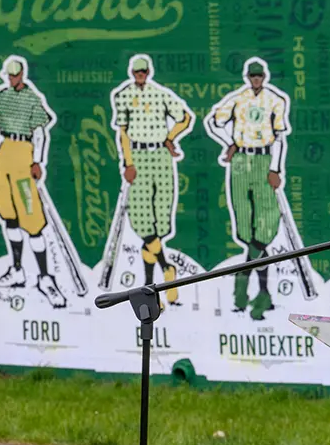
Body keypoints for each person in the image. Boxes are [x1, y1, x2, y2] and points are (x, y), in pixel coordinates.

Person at [204, 58, 290, 321]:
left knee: (265, 227)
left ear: (263, 77)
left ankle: (244, 289)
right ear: (247, 77)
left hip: (263, 159)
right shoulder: (238, 99)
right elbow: (213, 121)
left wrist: (275, 169)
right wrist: (228, 142)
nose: (255, 80)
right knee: (244, 225)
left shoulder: (275, 100)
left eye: (259, 76)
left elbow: (279, 138)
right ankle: (261, 293)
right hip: (241, 160)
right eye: (252, 76)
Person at [112, 55, 194, 307]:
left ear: (148, 72)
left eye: (143, 71)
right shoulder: (123, 95)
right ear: (131, 72)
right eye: (136, 71)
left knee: (158, 226)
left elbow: (185, 117)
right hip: (138, 154)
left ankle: (152, 292)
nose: (140, 74)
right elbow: (123, 132)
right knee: (143, 223)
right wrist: (128, 162)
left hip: (160, 155)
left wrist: (170, 138)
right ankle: (166, 269)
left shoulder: (160, 94)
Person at [0, 58, 65, 307]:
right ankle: (18, 269)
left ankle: (44, 277)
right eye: (9, 75)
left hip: (24, 152)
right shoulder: (2, 96)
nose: (11, 79)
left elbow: (41, 131)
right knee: (9, 215)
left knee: (31, 219)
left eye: (15, 75)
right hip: (5, 152)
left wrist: (37, 161)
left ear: (22, 74)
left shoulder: (32, 98)